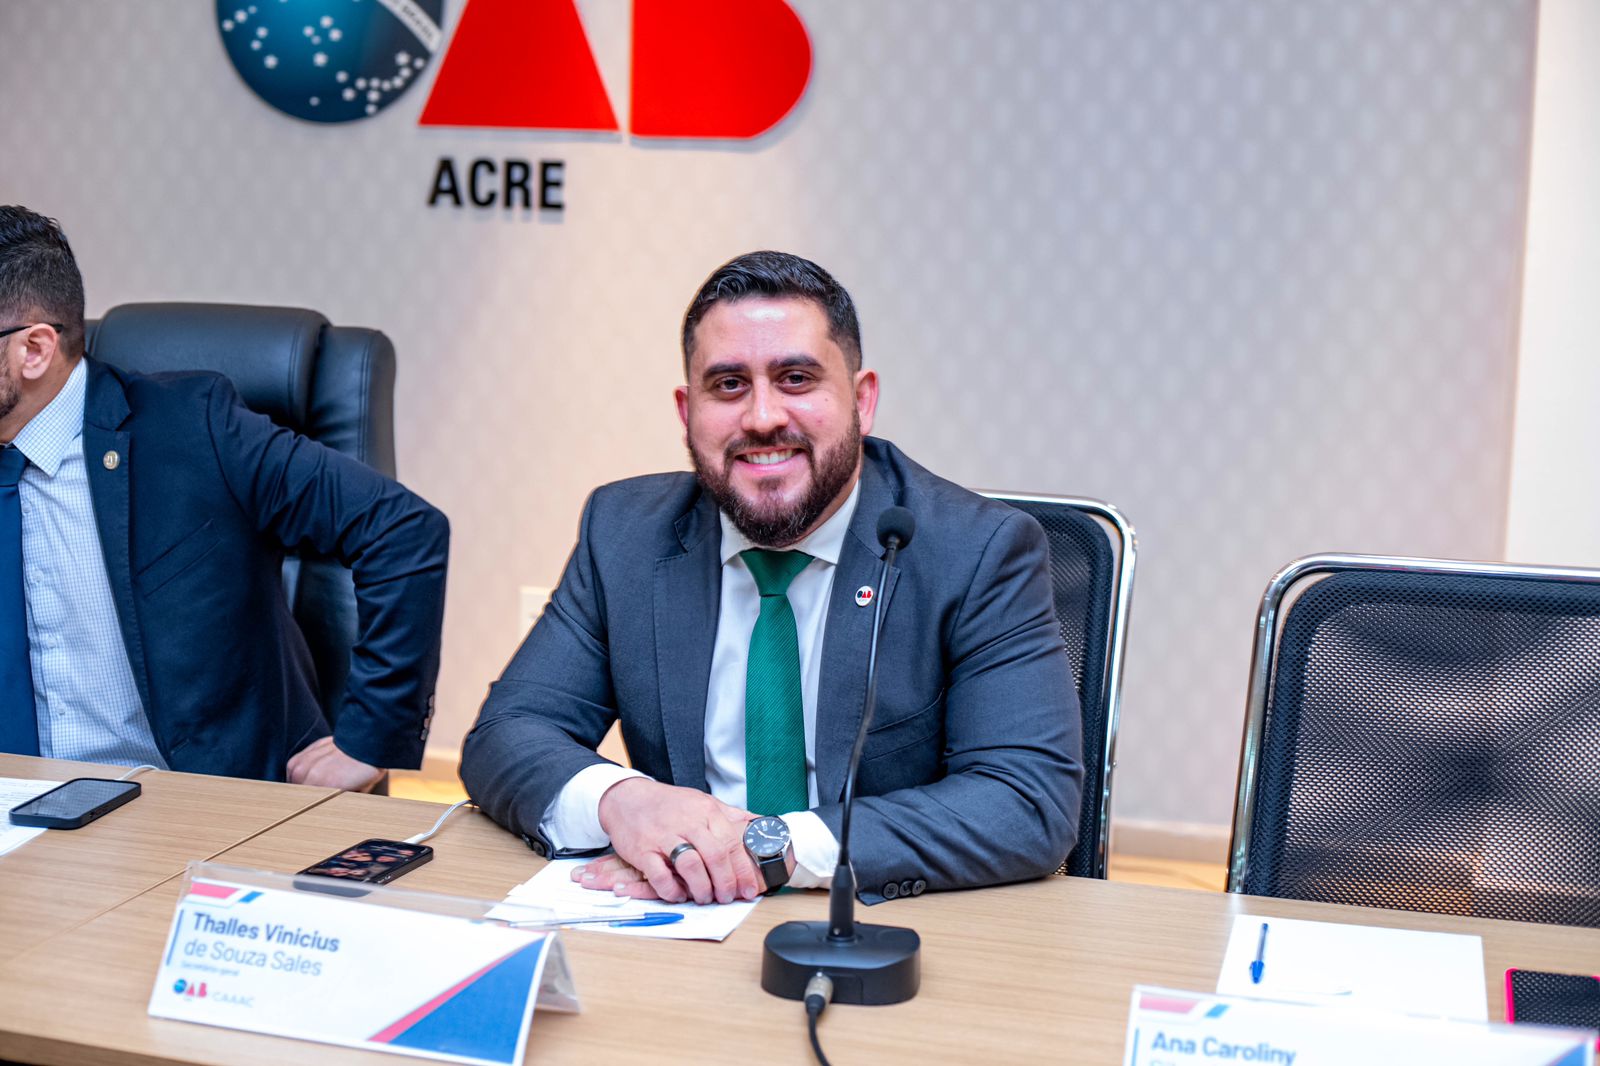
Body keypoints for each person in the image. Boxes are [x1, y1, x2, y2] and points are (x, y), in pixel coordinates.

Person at [462, 251, 1082, 905]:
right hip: (674, 919)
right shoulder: (625, 534)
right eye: (729, 385)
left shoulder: (976, 550)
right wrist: (623, 800)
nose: (762, 417)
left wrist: (765, 852)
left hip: (879, 925)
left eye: (795, 379)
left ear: (862, 400)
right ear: (686, 411)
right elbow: (508, 732)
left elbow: (1026, 802)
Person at [0, 206, 448, 788]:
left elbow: (401, 529)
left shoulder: (193, 428)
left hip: (199, 805)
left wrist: (371, 739)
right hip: (20, 810)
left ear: (34, 350)